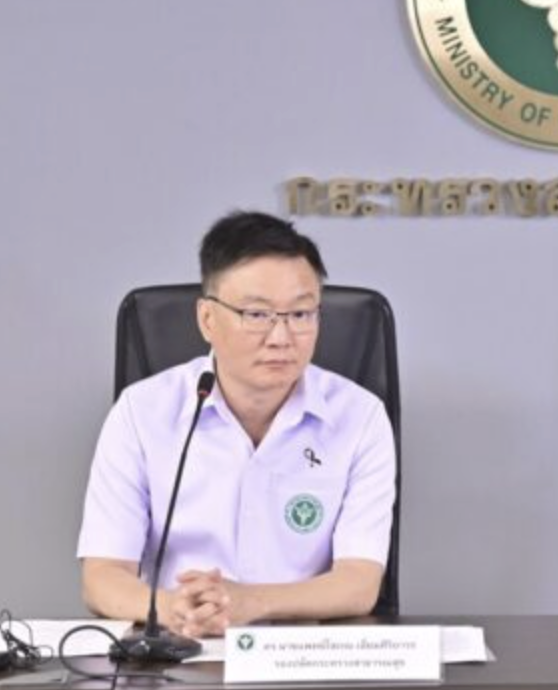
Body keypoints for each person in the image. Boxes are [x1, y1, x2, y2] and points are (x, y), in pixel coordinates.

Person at [77, 211, 396, 638]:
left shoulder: (360, 417)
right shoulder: (141, 412)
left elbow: (359, 583)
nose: (282, 338)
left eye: (301, 314)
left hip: (302, 654)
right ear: (207, 319)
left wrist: (250, 602)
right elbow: (102, 575)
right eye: (257, 315)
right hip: (176, 647)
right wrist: (174, 608)